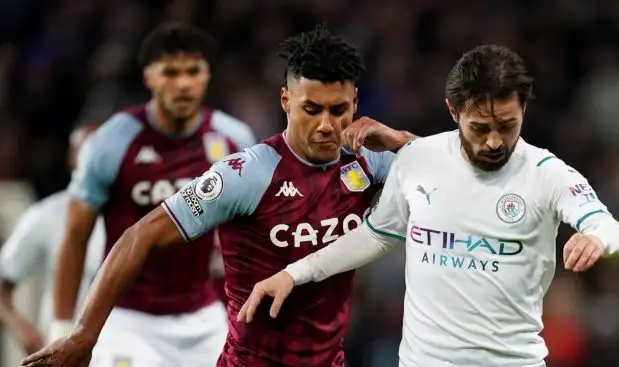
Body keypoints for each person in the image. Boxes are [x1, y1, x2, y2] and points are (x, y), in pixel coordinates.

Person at [21, 24, 415, 367]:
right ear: (286, 101)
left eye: (338, 109)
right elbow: (139, 235)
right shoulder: (246, 174)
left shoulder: (369, 160)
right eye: (311, 109)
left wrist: (403, 142)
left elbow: (453, 175)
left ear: (356, 103)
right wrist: (83, 335)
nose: (327, 125)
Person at [239, 45, 619, 367]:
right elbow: (375, 235)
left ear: (524, 109)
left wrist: (595, 237)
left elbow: (612, 227)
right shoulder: (417, 158)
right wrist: (294, 273)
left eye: (507, 125)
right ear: (452, 110)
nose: (494, 141)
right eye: (480, 128)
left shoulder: (547, 173)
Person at [45, 23, 256, 367]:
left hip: (203, 320)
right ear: (149, 78)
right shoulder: (112, 141)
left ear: (207, 75)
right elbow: (75, 235)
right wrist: (61, 327)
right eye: (171, 72)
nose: (183, 83)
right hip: (127, 320)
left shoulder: (234, 139)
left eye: (193, 71)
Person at [0, 125, 105, 356]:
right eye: (84, 152)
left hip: (121, 348)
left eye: (100, 152)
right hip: (62, 349)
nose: (92, 162)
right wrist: (22, 329)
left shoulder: (135, 216)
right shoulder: (48, 214)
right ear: (71, 157)